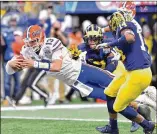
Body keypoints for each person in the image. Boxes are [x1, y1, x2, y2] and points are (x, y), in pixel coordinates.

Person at [5, 25, 155, 133]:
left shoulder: (52, 43)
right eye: (28, 42)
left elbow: (56, 66)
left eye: (33, 41)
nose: (30, 45)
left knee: (119, 89)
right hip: (75, 82)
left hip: (83, 70)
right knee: (112, 99)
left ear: (41, 37)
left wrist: (34, 63)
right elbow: (10, 70)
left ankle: (145, 99)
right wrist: (10, 64)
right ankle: (143, 121)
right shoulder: (27, 51)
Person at [72, 24, 155, 133]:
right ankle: (121, 122)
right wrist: (73, 57)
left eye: (95, 38)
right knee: (110, 95)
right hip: (103, 74)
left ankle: (138, 115)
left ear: (101, 38)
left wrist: (101, 73)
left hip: (117, 71)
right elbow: (73, 60)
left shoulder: (107, 46)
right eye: (89, 38)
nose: (92, 41)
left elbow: (113, 63)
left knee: (118, 101)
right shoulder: (81, 48)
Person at [96, 11, 156, 134]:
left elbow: (129, 37)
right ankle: (113, 128)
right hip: (131, 70)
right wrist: (101, 30)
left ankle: (147, 125)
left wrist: (108, 43)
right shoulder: (129, 24)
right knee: (109, 92)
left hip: (138, 73)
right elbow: (112, 28)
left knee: (118, 106)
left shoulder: (124, 26)